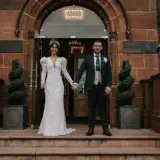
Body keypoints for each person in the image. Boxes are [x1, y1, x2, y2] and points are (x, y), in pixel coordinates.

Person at [72, 40, 112, 136]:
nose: (97, 47)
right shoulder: (87, 58)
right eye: (96, 46)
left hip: (102, 87)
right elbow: (80, 71)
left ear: (102, 48)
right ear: (93, 47)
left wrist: (109, 86)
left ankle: (105, 129)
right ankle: (91, 129)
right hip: (91, 87)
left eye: (99, 46)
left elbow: (109, 73)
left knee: (103, 109)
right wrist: (76, 82)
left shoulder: (106, 59)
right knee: (91, 109)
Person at [38, 39, 75, 136]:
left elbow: (65, 72)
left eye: (56, 48)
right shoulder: (45, 60)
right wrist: (42, 82)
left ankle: (59, 129)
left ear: (57, 49)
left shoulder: (61, 60)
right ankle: (48, 128)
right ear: (50, 49)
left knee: (58, 105)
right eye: (52, 47)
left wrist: (72, 82)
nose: (54, 49)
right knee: (49, 105)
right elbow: (43, 72)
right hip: (49, 84)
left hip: (59, 85)